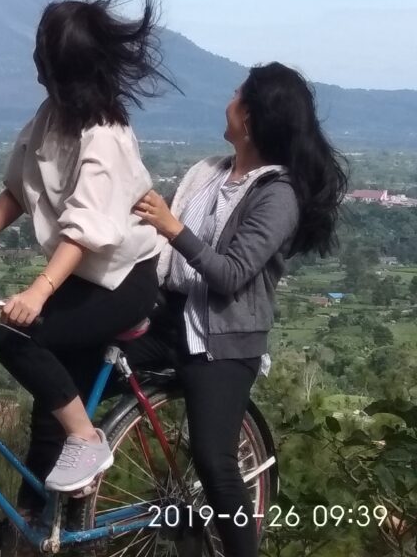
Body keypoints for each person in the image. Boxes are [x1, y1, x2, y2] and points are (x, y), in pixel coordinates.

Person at [0, 0, 171, 557]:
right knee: (48, 402)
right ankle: (36, 526)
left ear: (65, 67)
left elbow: (86, 231)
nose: (35, 64)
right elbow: (20, 189)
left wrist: (38, 292)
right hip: (82, 273)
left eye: (43, 55)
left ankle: (90, 441)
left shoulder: (106, 135)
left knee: (17, 340)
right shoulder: (51, 116)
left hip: (121, 279)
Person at [131, 62, 348, 557]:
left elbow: (230, 274)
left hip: (223, 342)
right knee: (86, 358)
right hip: (172, 318)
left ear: (249, 117)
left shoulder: (278, 195)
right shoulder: (208, 173)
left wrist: (171, 228)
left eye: (235, 94)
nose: (226, 101)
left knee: (215, 462)